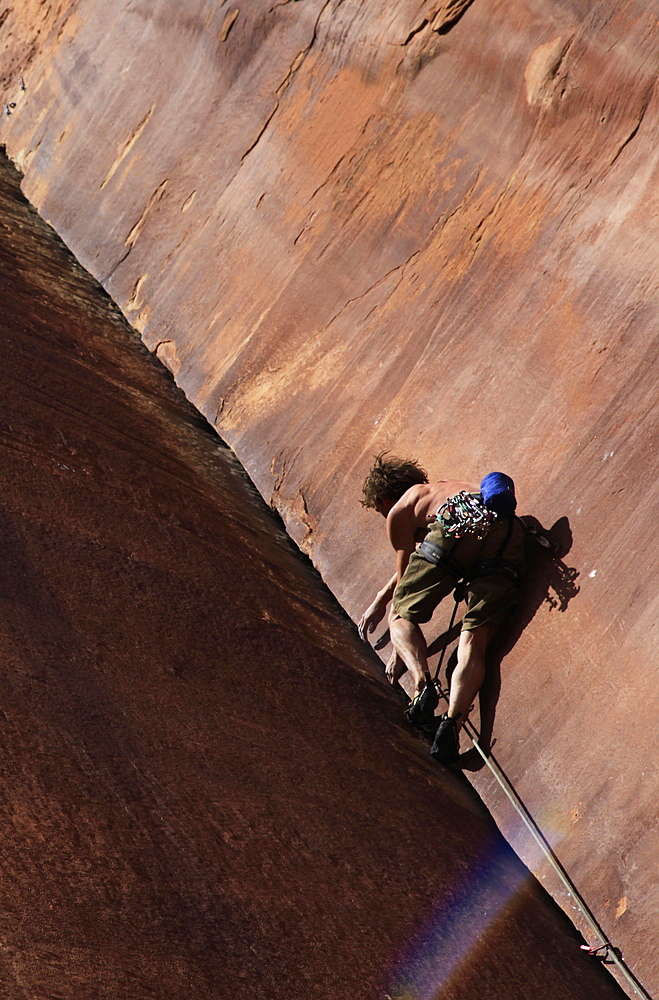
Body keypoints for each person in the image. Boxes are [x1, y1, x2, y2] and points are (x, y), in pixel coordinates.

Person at [358, 454, 526, 764]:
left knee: (400, 615)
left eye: (380, 509)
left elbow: (405, 582)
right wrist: (378, 599)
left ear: (384, 498)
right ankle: (452, 725)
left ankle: (425, 688)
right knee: (475, 640)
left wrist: (403, 648)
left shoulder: (400, 509)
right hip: (506, 532)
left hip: (457, 526)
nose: (384, 515)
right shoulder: (450, 488)